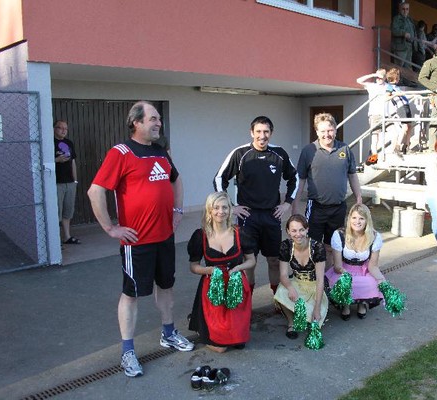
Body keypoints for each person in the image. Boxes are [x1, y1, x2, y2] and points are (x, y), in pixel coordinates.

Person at [87, 101, 193, 378]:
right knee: (132, 293)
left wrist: (178, 211)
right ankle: (127, 351)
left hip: (165, 237)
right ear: (136, 122)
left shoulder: (160, 152)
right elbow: (95, 191)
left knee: (166, 286)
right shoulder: (121, 153)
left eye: (159, 118)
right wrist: (110, 228)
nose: (159, 123)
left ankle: (168, 333)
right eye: (153, 118)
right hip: (137, 242)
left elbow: (176, 180)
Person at [214, 116, 298, 294]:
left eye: (266, 131)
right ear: (251, 133)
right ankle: (247, 300)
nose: (262, 136)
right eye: (258, 131)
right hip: (248, 217)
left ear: (271, 133)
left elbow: (294, 178)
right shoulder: (240, 153)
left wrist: (287, 204)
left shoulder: (279, 154)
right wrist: (231, 206)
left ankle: (277, 298)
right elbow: (219, 179)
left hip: (272, 216)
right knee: (249, 261)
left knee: (274, 260)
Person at [187, 192, 256, 352]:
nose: (221, 211)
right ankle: (201, 326)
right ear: (209, 210)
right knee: (221, 348)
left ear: (230, 210)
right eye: (216, 208)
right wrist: (210, 270)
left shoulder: (240, 233)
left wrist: (238, 268)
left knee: (239, 343)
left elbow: (251, 261)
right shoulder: (200, 235)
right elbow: (193, 266)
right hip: (213, 288)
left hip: (236, 287)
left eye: (225, 207)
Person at [293, 113, 362, 268]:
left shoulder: (344, 149)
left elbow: (352, 175)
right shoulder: (308, 151)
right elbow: (301, 179)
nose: (327, 134)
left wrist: (358, 197)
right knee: (312, 245)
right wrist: (295, 204)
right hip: (316, 208)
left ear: (335, 130)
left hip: (338, 207)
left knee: (332, 246)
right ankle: (310, 274)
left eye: (330, 130)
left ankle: (328, 275)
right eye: (323, 131)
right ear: (317, 132)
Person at [326, 204, 385, 320]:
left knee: (373, 282)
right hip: (343, 270)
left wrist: (382, 280)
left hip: (364, 270)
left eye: (361, 218)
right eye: (354, 218)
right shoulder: (339, 235)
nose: (357, 222)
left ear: (367, 220)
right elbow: (337, 266)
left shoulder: (375, 237)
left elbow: (373, 266)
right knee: (343, 283)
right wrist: (347, 276)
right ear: (349, 218)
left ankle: (361, 303)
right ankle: (345, 305)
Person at [274, 214, 327, 339]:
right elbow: (283, 275)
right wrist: (290, 288)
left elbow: (320, 280)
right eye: (294, 231)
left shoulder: (317, 247)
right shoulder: (286, 246)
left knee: (315, 318)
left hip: (314, 287)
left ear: (307, 229)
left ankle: (309, 313)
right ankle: (291, 323)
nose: (298, 234)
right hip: (296, 283)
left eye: (301, 230)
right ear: (288, 231)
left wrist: (317, 308)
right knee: (281, 291)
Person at [54, 120, 80, 245]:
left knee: (68, 210)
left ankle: (67, 236)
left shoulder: (69, 143)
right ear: (54, 129)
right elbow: (45, 161)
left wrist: (75, 180)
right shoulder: (49, 142)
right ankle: (55, 240)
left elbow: (73, 162)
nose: (63, 130)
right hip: (56, 182)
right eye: (60, 128)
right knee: (57, 211)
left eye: (65, 128)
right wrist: (57, 160)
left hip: (70, 182)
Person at [356, 69, 388, 157]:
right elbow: (358, 80)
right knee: (375, 136)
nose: (379, 79)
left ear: (385, 77)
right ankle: (374, 155)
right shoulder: (372, 86)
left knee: (386, 135)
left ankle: (384, 153)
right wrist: (373, 75)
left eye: (381, 77)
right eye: (377, 77)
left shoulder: (387, 86)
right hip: (374, 114)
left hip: (385, 114)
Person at [386, 67, 416, 155]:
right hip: (401, 108)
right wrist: (395, 95)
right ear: (395, 77)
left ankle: (406, 146)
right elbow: (386, 97)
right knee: (405, 126)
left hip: (406, 106)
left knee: (409, 126)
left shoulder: (396, 87)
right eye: (398, 76)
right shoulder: (390, 87)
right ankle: (397, 146)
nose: (399, 78)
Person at [391, 2, 416, 67]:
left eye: (407, 9)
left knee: (407, 67)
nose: (405, 11)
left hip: (409, 46)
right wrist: (403, 33)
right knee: (398, 67)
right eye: (403, 9)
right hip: (401, 47)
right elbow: (394, 30)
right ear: (400, 9)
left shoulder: (410, 19)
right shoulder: (397, 18)